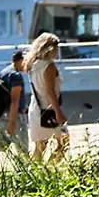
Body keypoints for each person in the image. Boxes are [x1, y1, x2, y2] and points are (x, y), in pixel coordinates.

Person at [26, 32, 70, 163]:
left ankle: (35, 175)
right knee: (64, 143)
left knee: (40, 148)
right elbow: (50, 91)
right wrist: (59, 113)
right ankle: (50, 171)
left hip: (36, 108)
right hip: (49, 109)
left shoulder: (32, 65)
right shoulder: (49, 66)